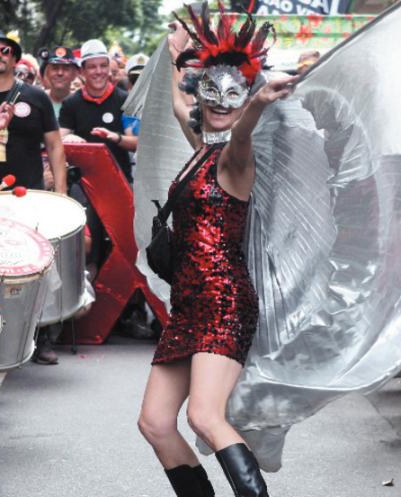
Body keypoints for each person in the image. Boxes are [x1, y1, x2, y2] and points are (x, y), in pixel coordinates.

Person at [136, 11, 293, 496]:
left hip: (224, 303)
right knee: (156, 423)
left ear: (244, 98)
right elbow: (180, 109)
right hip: (189, 304)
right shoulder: (202, 148)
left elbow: (241, 134)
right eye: (213, 93)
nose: (221, 105)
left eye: (235, 96)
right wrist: (168, 53)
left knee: (204, 415)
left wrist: (261, 103)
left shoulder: (234, 160)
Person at [0, 30, 67, 192]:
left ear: (14, 59)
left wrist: (61, 192)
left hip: (31, 194)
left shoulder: (38, 97)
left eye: (5, 51)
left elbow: (55, 146)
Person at [58, 39, 137, 183]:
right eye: (92, 67)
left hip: (120, 180)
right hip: (83, 183)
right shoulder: (71, 103)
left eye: (103, 66)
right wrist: (68, 140)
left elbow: (137, 143)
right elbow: (58, 141)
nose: (99, 72)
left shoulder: (125, 100)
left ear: (109, 69)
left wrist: (116, 137)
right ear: (82, 71)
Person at [40, 46, 79, 118]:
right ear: (47, 73)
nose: (60, 73)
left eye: (66, 68)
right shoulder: (37, 100)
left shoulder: (81, 103)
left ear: (74, 74)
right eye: (55, 68)